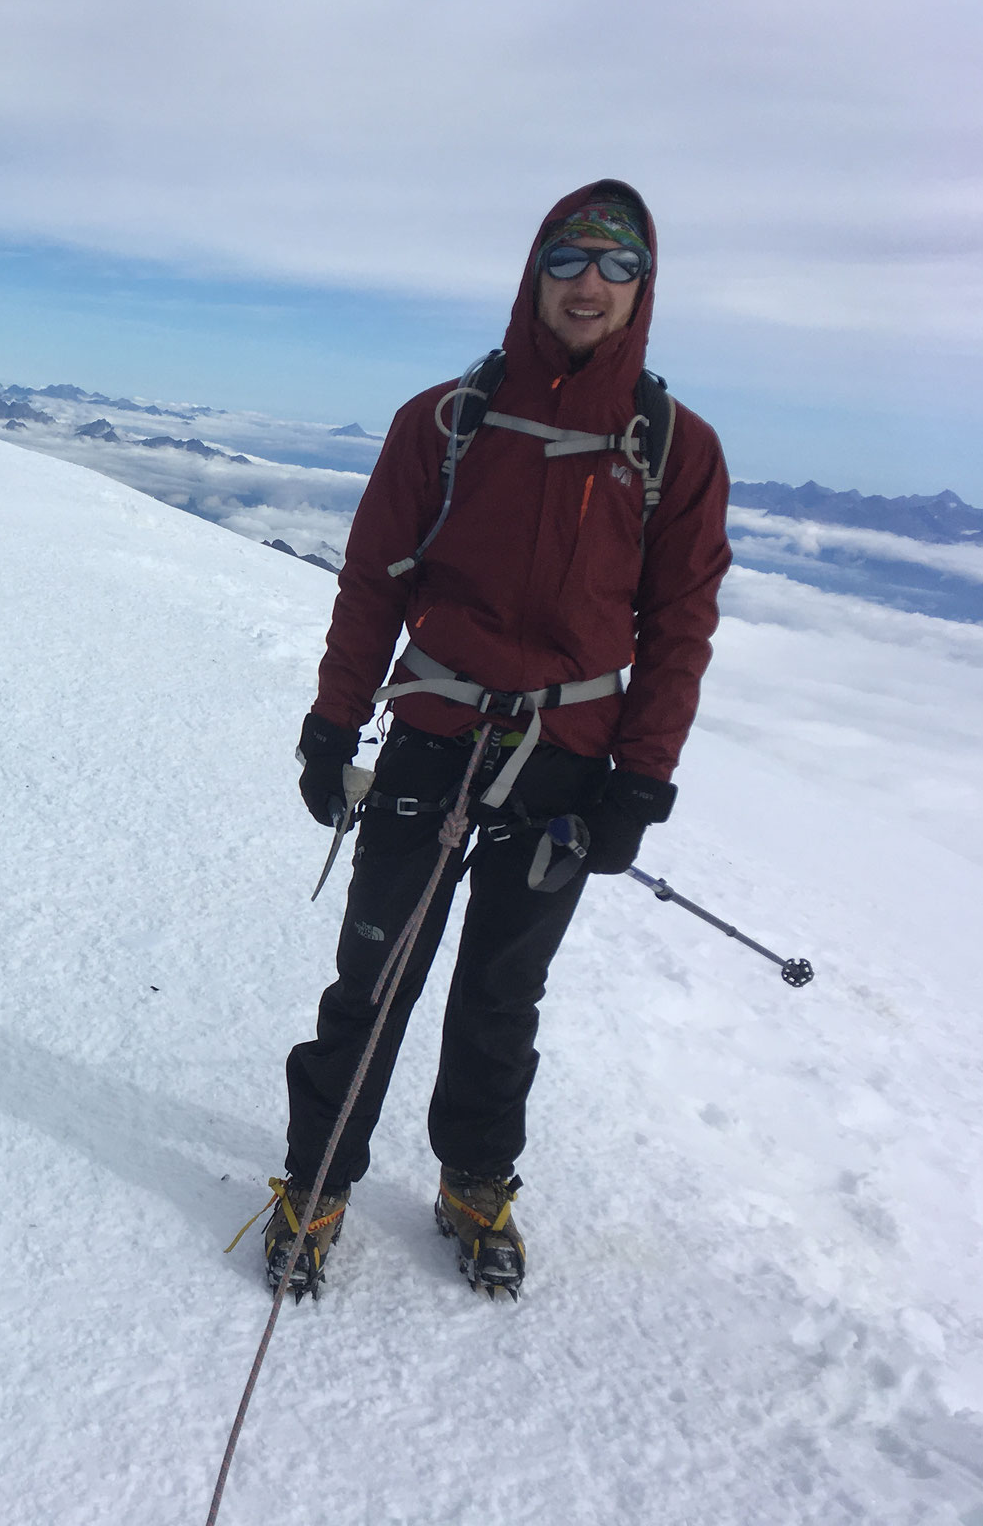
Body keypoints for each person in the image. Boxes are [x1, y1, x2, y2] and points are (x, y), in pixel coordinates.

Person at [263, 180, 732, 1300]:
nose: (589, 285)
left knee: (499, 992)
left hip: (566, 760)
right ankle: (315, 1178)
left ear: (643, 288)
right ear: (534, 273)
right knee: (374, 975)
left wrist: (640, 781)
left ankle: (474, 1178)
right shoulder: (443, 419)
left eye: (616, 267)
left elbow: (677, 626)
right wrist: (333, 722)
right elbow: (372, 580)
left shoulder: (673, 448)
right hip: (431, 731)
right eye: (570, 259)